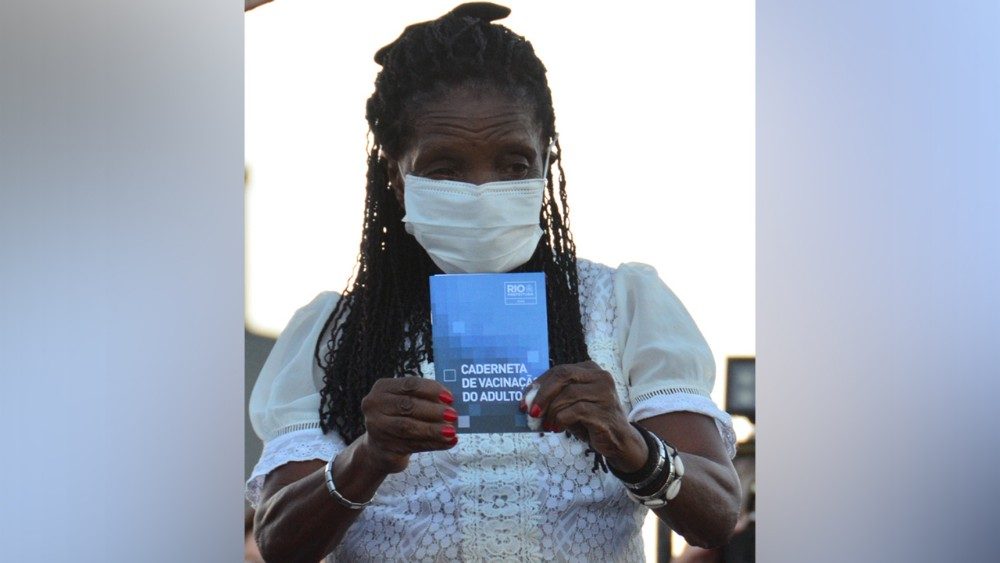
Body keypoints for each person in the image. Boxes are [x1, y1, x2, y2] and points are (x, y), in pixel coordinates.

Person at [247, 3, 741, 561]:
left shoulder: (621, 306)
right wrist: (368, 457)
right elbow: (279, 542)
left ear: (545, 161)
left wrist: (627, 443)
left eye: (514, 164)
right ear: (396, 177)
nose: (483, 190)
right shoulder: (336, 334)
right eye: (445, 168)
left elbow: (719, 515)